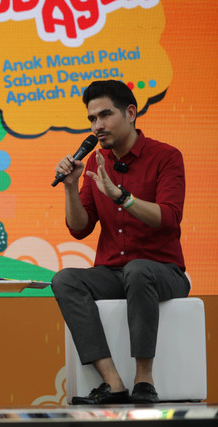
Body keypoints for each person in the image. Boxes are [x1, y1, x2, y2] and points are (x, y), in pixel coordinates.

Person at [51, 80, 190, 404]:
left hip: (163, 272)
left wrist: (122, 198)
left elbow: (170, 217)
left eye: (105, 115)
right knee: (65, 279)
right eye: (91, 119)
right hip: (114, 272)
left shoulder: (166, 156)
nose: (97, 126)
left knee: (139, 270)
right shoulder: (98, 164)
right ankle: (112, 383)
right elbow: (79, 229)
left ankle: (144, 381)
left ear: (130, 113)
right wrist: (72, 186)